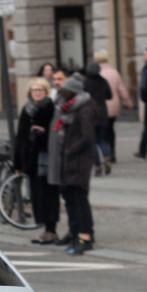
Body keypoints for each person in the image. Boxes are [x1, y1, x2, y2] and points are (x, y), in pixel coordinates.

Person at [49, 73, 97, 255]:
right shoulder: (71, 108)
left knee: (79, 198)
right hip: (69, 160)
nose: (62, 95)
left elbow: (86, 137)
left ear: (73, 93)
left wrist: (69, 150)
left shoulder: (84, 110)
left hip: (78, 161)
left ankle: (85, 237)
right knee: (70, 197)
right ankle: (75, 231)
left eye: (65, 92)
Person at [13, 77, 58, 244]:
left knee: (49, 194)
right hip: (31, 159)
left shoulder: (51, 108)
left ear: (46, 92)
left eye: (40, 90)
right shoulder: (27, 109)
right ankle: (45, 229)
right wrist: (17, 163)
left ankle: (51, 229)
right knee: (36, 195)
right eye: (34, 90)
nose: (37, 93)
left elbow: (55, 134)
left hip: (46, 158)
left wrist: (43, 132)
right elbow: (20, 137)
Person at [94, 50, 132, 164]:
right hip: (113, 104)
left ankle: (105, 152)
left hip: (100, 106)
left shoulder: (96, 73)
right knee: (110, 129)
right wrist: (128, 100)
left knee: (101, 130)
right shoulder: (114, 72)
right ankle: (112, 152)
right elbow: (121, 88)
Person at [83, 62, 113, 174]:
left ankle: (97, 165)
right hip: (102, 112)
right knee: (102, 139)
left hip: (90, 112)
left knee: (93, 141)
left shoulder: (85, 82)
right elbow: (109, 96)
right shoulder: (103, 81)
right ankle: (106, 156)